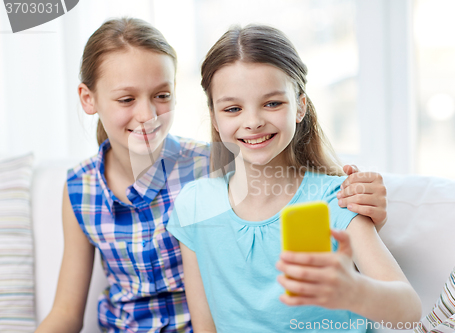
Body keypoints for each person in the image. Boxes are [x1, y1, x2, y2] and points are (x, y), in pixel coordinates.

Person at [36, 18, 389, 333]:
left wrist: (362, 205)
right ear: (88, 98)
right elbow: (66, 313)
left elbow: (284, 176)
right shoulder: (80, 188)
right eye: (126, 99)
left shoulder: (213, 161)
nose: (146, 114)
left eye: (161, 95)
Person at [167, 24, 421, 333]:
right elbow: (205, 326)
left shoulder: (336, 198)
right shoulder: (194, 205)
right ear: (216, 119)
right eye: (233, 108)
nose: (253, 121)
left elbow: (409, 310)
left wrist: (354, 290)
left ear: (300, 106)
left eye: (272, 103)